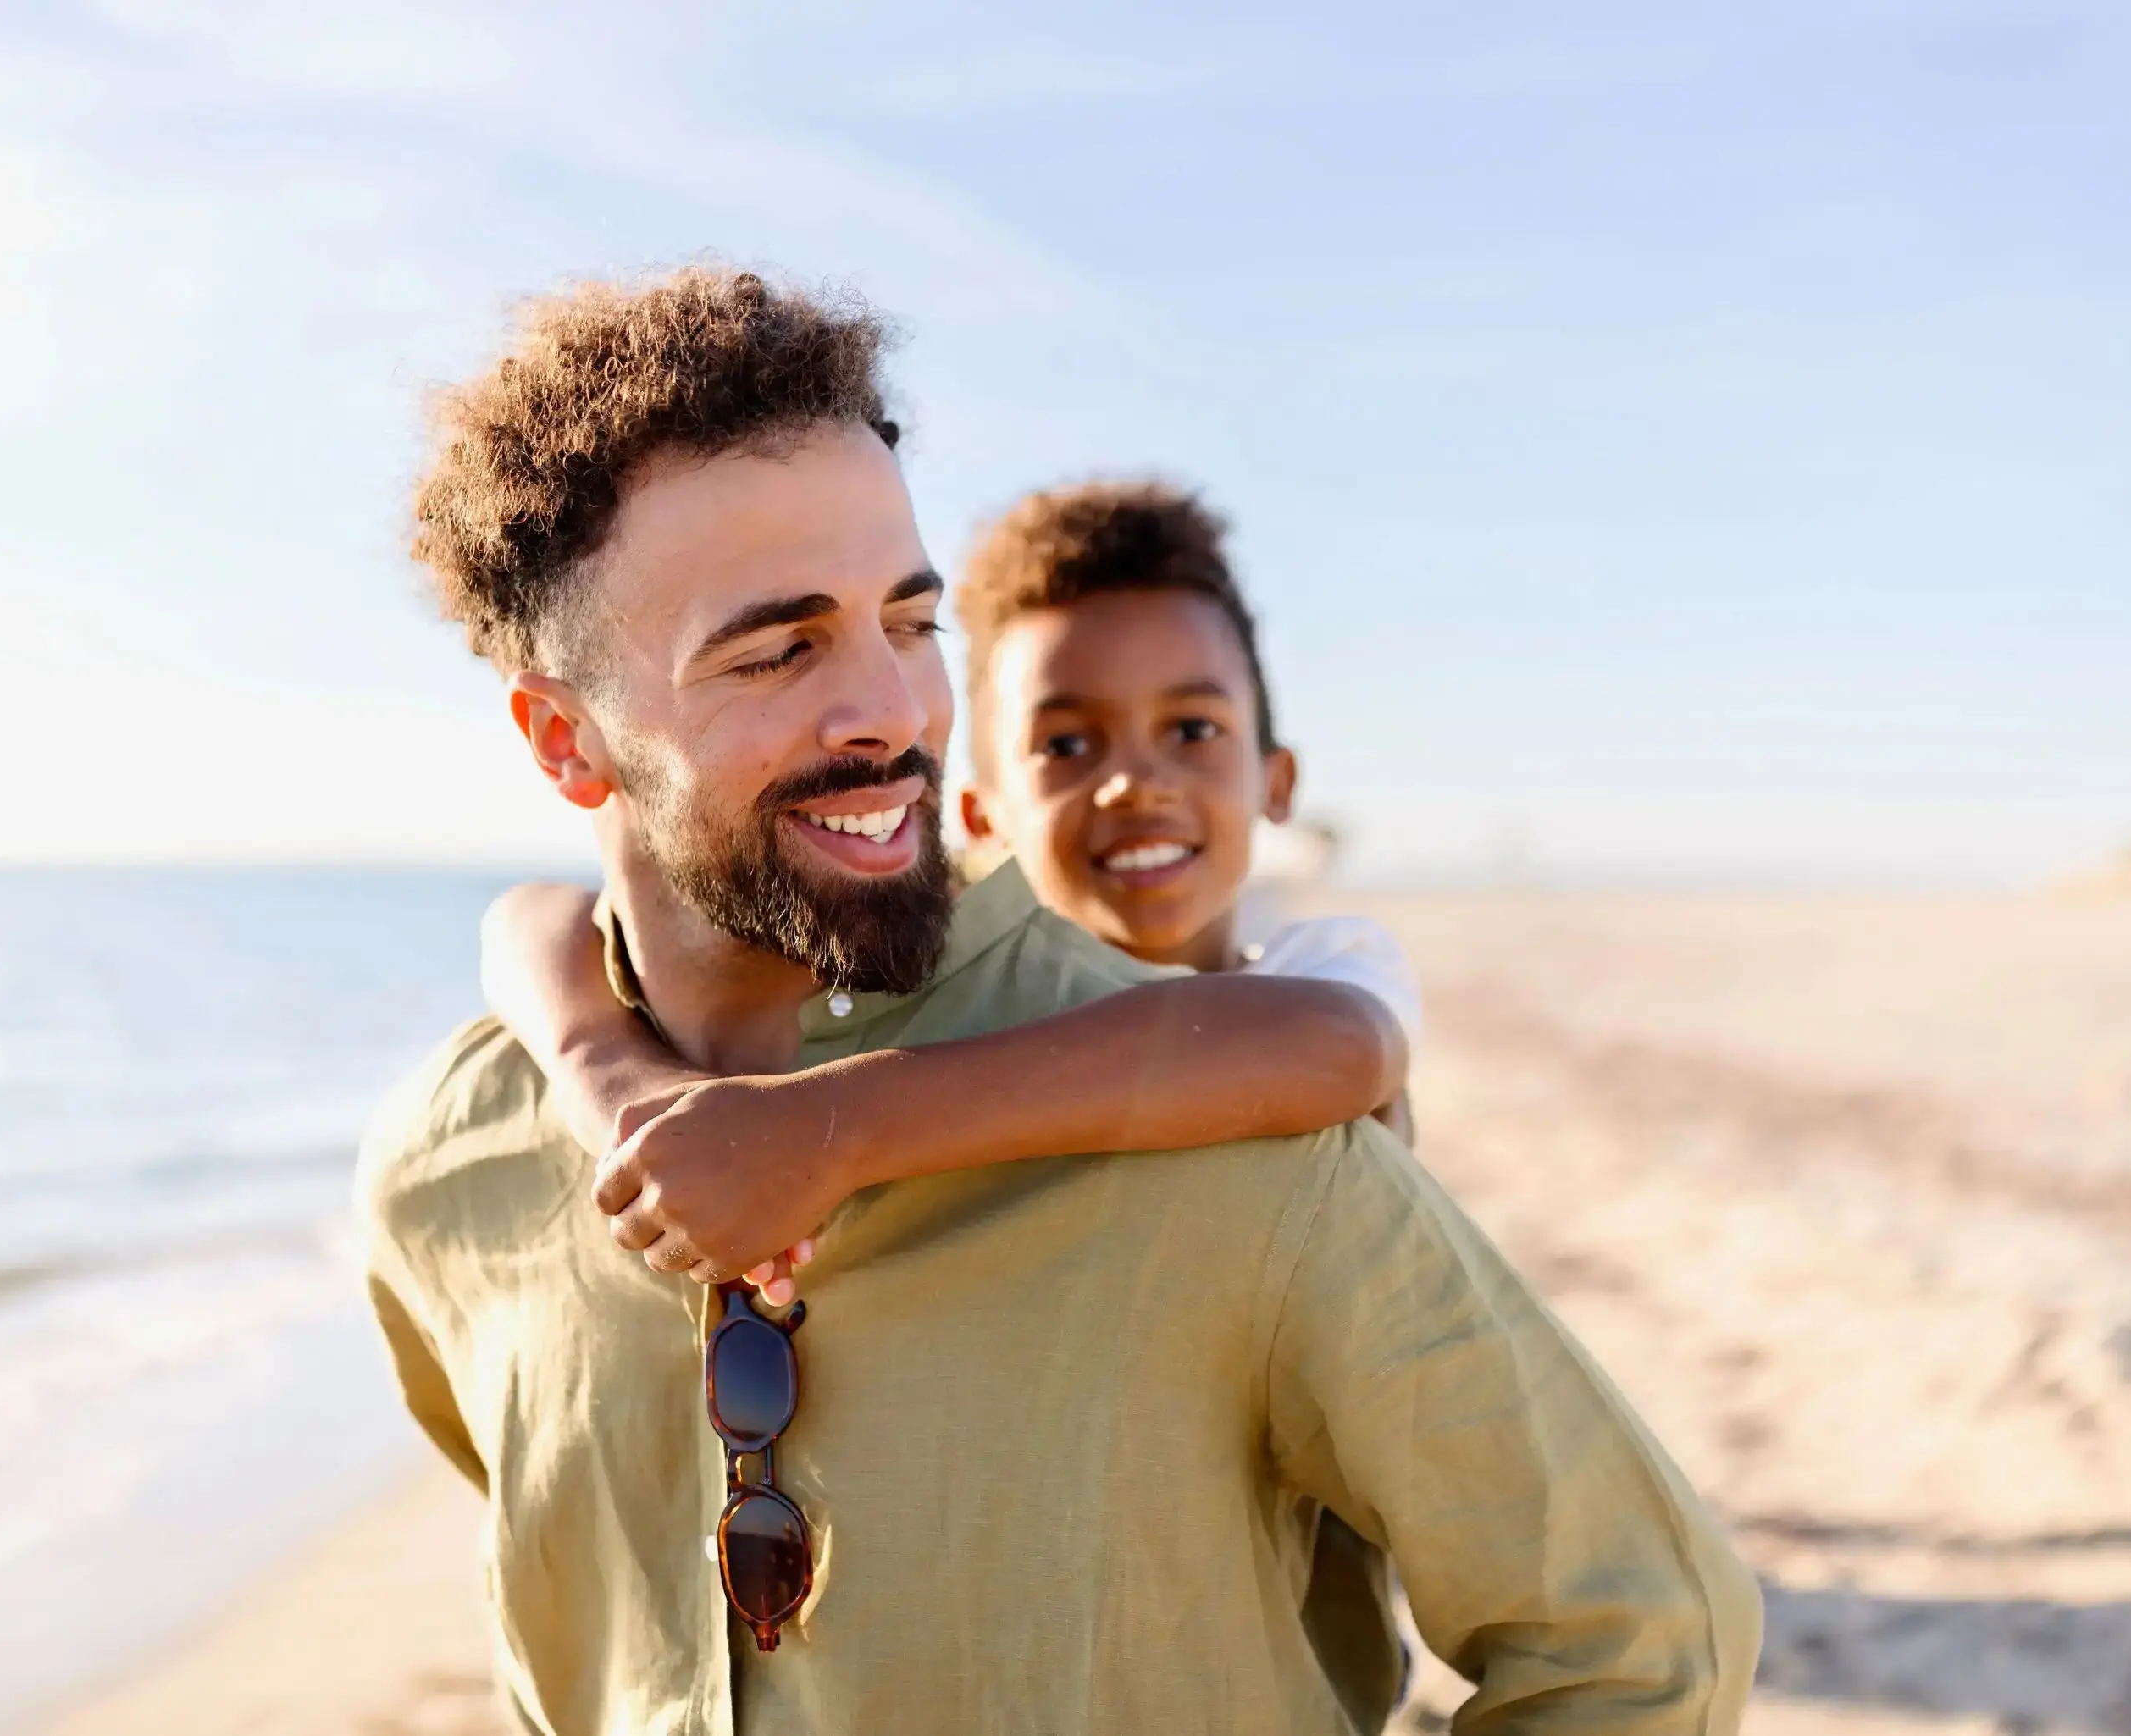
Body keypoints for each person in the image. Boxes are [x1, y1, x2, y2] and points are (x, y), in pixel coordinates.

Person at [357, 265, 1762, 1735]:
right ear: (564, 738)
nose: (894, 715)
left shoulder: (1237, 1141)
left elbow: (1639, 1642)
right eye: (780, 649)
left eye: (910, 624)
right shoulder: (450, 1167)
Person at [480, 477, 1425, 1726]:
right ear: (972, 810)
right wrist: (610, 1069)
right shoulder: (956, 985)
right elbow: (529, 916)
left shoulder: (1313, 973)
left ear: (1277, 776)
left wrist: (832, 1127)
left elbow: (1335, 1047)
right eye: (1066, 745)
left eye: (1191, 730)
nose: (1132, 783)